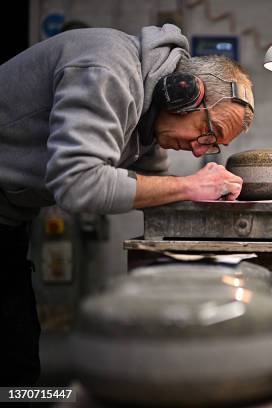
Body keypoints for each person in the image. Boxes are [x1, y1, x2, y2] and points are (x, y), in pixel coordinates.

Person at [0, 24, 254, 385]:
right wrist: (189, 185)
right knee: (15, 365)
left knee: (17, 358)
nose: (200, 148)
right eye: (207, 131)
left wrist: (214, 203)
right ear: (182, 92)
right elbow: (78, 184)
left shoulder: (148, 116)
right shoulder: (107, 69)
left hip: (10, 219)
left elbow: (158, 185)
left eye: (212, 145)